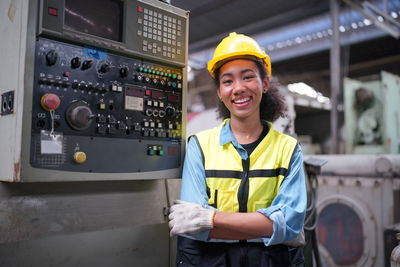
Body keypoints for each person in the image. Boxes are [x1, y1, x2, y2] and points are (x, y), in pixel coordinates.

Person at [169, 32, 307, 267]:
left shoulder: (288, 148)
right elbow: (191, 227)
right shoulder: (200, 146)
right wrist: (267, 228)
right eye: (228, 81)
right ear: (219, 92)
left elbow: (289, 224)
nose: (239, 88)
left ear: (264, 84)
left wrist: (210, 218)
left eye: (247, 77)